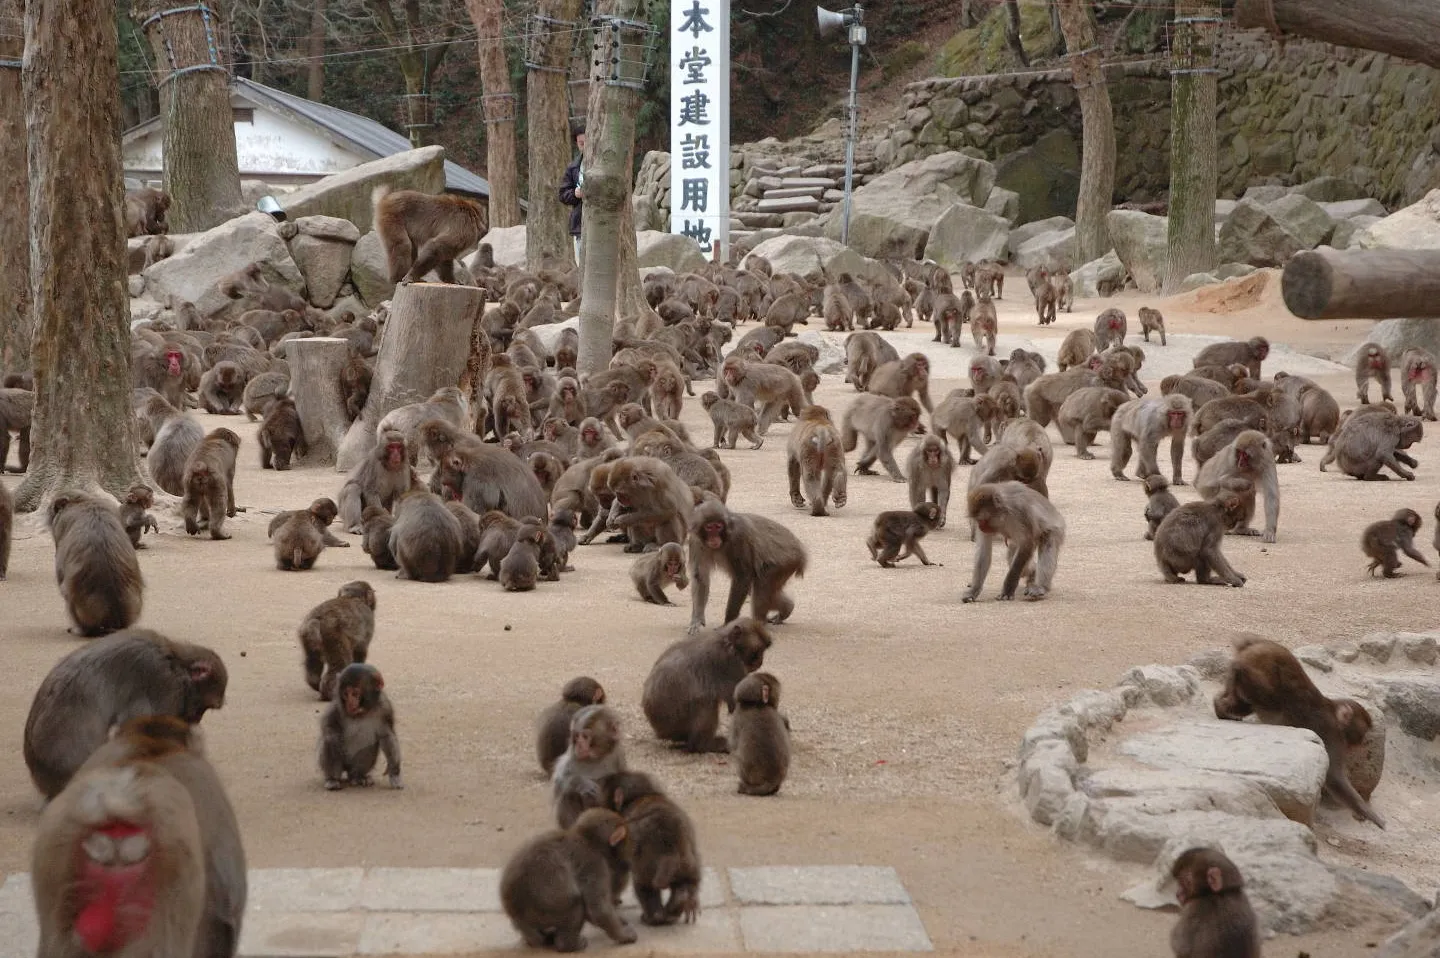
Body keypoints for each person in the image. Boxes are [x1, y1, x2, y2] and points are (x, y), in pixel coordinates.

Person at [558, 123, 586, 265]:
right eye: (581, 144)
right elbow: (563, 194)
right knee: (582, 265)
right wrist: (575, 194)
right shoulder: (573, 167)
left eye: (588, 143)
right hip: (580, 224)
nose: (585, 147)